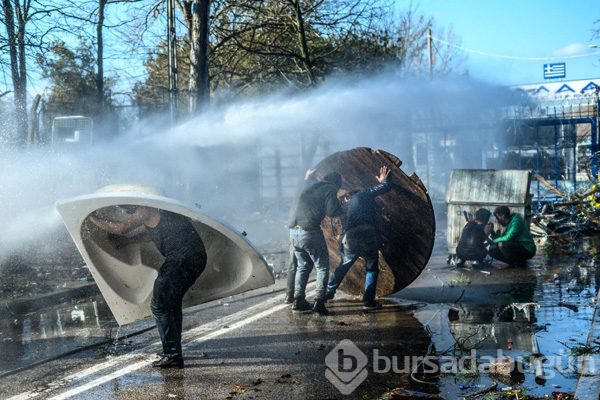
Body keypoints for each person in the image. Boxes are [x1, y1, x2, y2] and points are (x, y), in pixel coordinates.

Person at [88, 206, 206, 369]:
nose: (124, 210)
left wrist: (91, 217)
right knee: (171, 303)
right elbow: (151, 234)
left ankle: (172, 355)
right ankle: (172, 352)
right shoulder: (161, 208)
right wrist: (129, 242)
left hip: (182, 260)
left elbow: (121, 228)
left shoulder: (145, 209)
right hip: (192, 257)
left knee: (160, 306)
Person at [325, 166, 391, 310]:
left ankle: (328, 293)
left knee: (343, 265)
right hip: (367, 235)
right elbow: (386, 187)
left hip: (350, 237)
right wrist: (383, 181)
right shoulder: (364, 194)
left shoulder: (344, 205)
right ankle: (368, 302)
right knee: (372, 268)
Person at [289, 171, 343, 315]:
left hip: (293, 232)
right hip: (310, 232)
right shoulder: (330, 189)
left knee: (303, 266)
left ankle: (298, 300)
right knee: (322, 267)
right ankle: (319, 302)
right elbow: (332, 211)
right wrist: (343, 204)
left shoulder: (310, 187)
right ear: (336, 184)